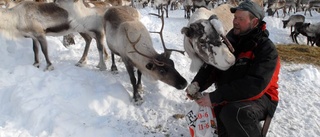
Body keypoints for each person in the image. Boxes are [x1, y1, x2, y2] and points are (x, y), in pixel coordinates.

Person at [185, 0, 281, 136]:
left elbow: (255, 85)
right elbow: (213, 65)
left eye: (240, 19)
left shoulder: (266, 49)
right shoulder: (230, 40)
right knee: (212, 114)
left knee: (233, 113)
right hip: (233, 94)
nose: (235, 21)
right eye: (235, 17)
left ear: (254, 22)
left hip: (261, 98)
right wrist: (197, 84)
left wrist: (215, 97)